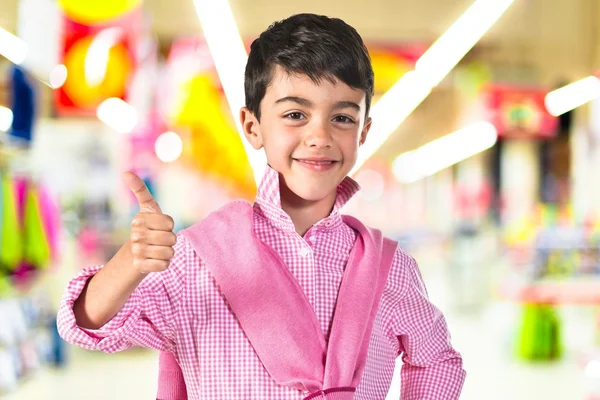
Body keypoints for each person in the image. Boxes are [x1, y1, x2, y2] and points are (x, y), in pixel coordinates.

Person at [57, 13, 466, 400]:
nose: (319, 136)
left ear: (363, 133)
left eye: (342, 118)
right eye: (294, 114)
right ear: (253, 127)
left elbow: (436, 361)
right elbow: (85, 324)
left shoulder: (390, 268)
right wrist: (131, 260)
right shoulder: (196, 259)